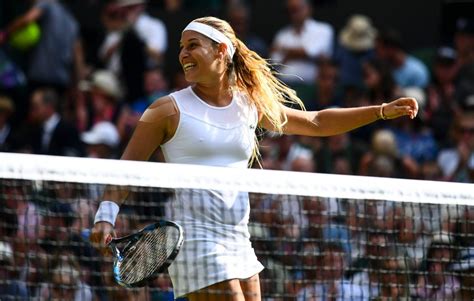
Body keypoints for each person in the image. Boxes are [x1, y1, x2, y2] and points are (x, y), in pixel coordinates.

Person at [90, 16, 418, 300]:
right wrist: (105, 215)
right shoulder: (166, 109)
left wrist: (381, 112)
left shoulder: (248, 105)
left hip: (238, 237)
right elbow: (127, 168)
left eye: (193, 45)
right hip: (195, 237)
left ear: (221, 50)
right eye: (181, 47)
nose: (183, 54)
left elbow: (317, 122)